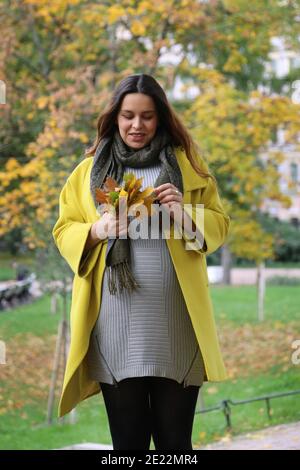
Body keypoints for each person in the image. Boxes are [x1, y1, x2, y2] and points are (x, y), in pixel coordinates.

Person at [52, 73, 230, 451]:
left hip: (178, 323)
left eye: (147, 116)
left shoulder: (189, 168)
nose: (137, 125)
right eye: (128, 115)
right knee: (127, 446)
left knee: (176, 445)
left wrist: (185, 215)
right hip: (114, 324)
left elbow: (219, 224)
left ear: (161, 118)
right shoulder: (87, 173)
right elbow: (64, 228)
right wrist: (98, 229)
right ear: (115, 117)